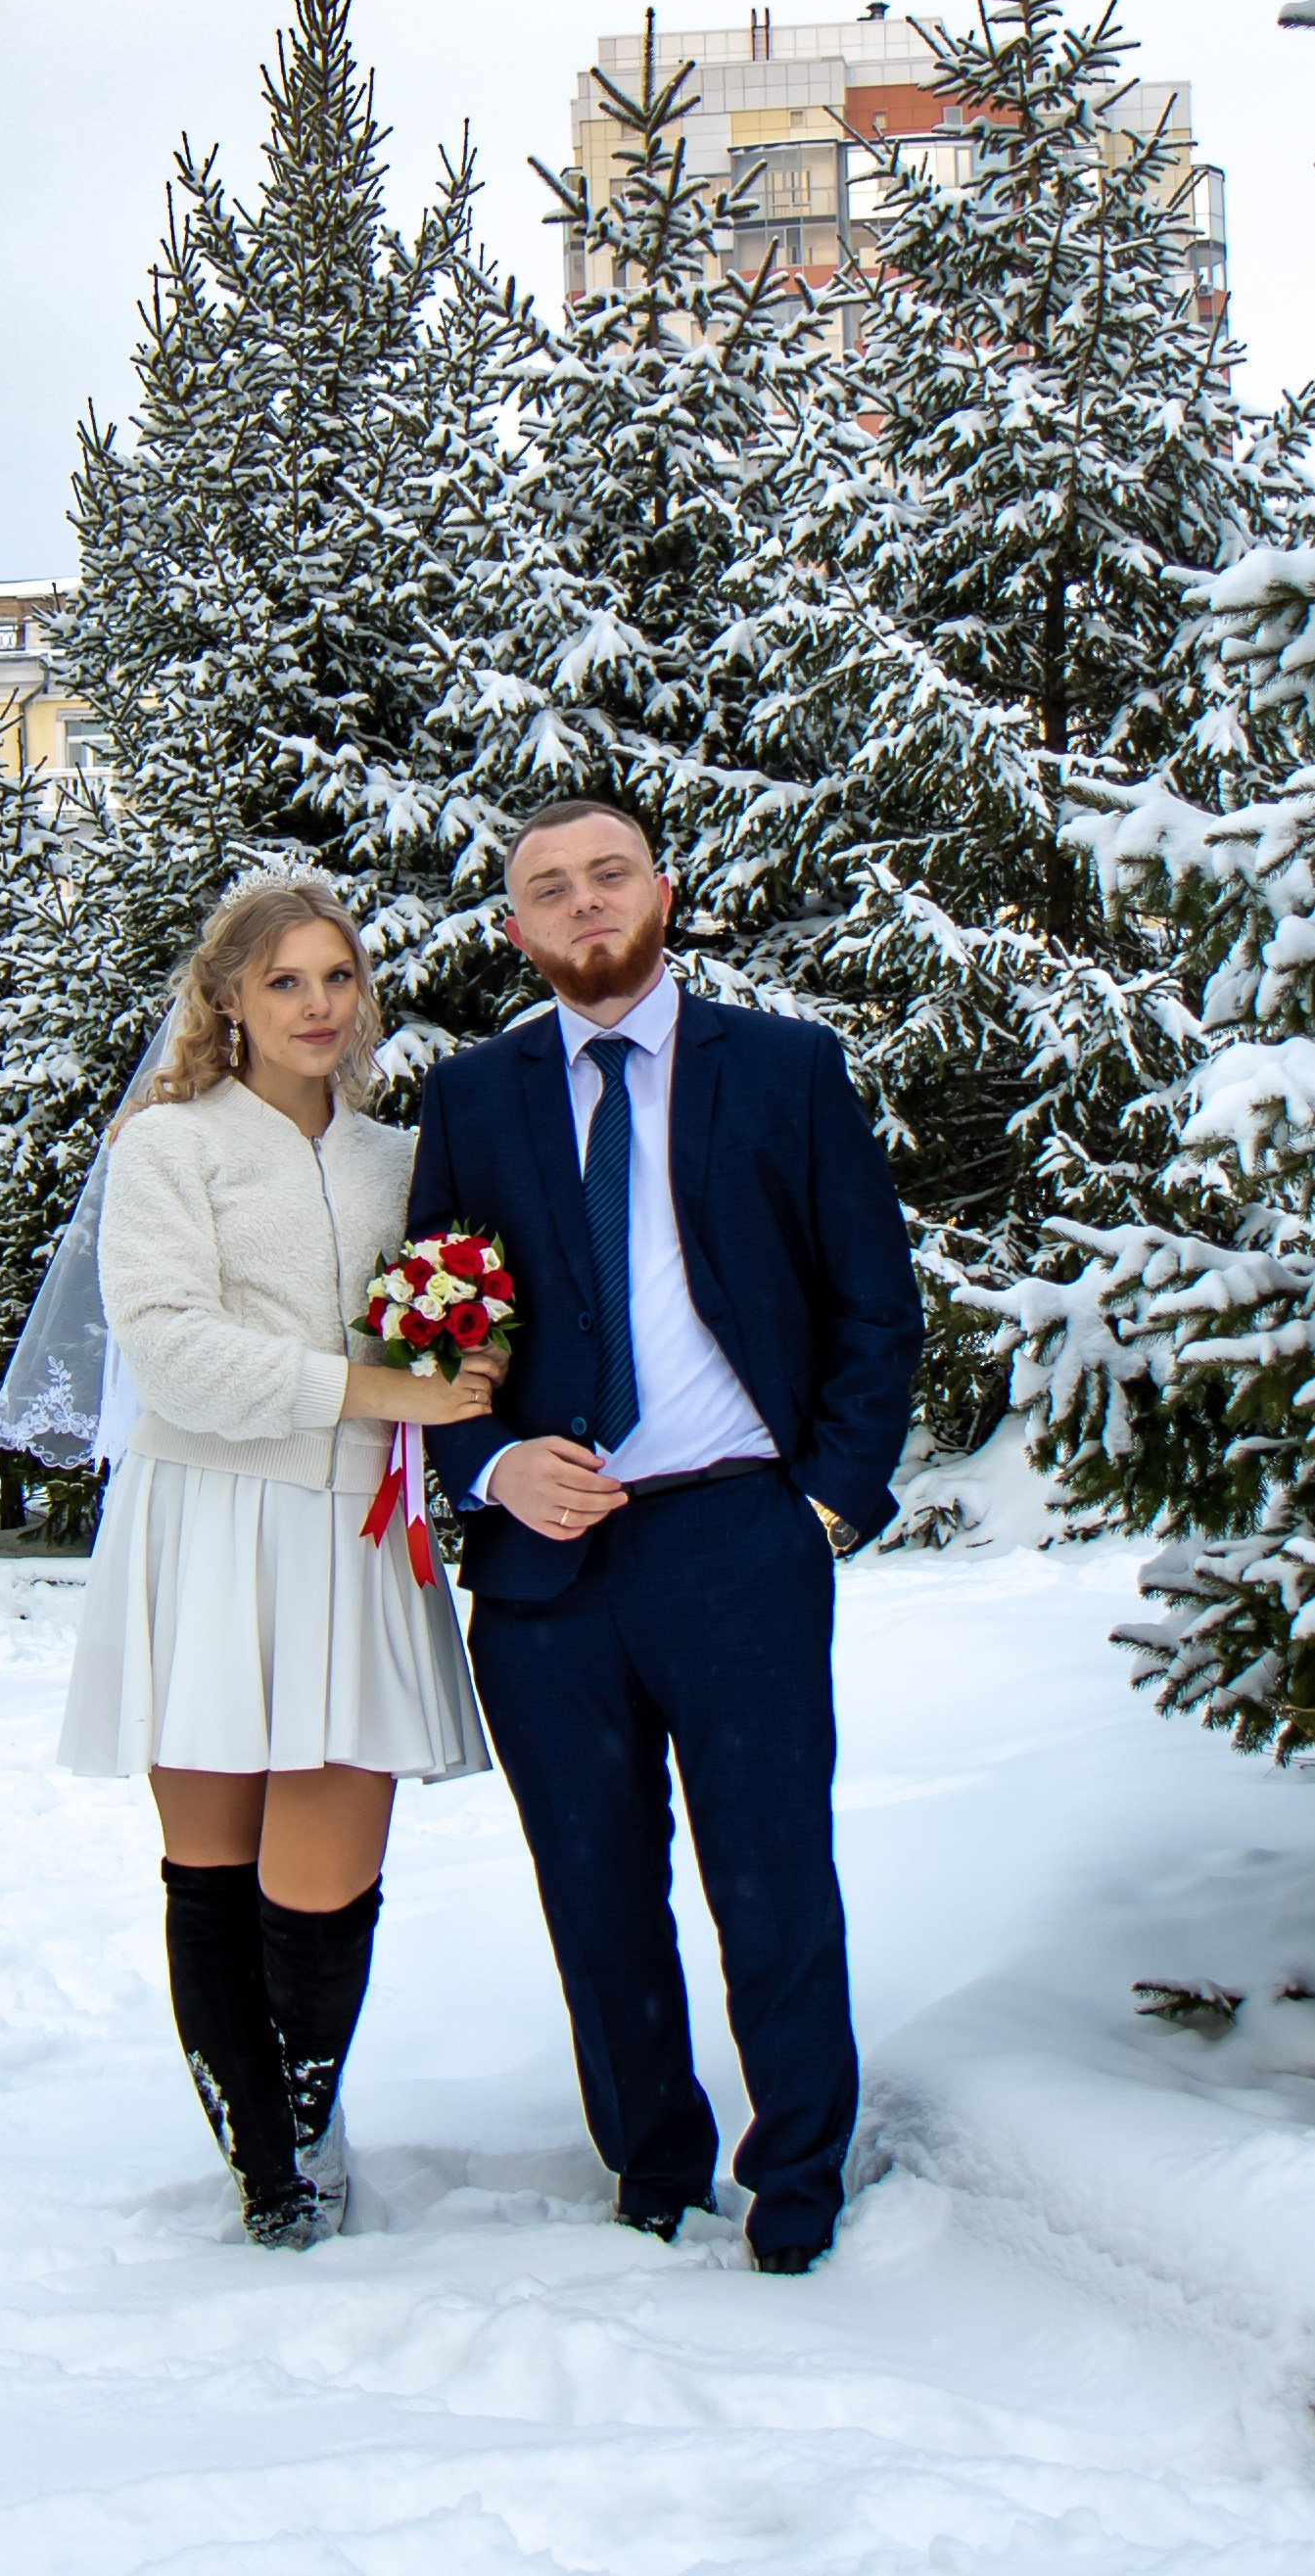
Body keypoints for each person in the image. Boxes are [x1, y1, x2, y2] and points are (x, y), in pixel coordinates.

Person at [407, 800, 922, 2274]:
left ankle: (799, 2183)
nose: (585, 904)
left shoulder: (783, 1068)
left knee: (772, 1875)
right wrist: (490, 1466)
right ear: (517, 929)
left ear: (663, 892)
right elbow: (429, 1340)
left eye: (610, 875)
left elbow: (874, 1303)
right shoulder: (474, 1097)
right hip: (546, 1570)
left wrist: (826, 1501)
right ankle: (651, 2170)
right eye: (549, 889)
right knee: (595, 1888)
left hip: (738, 1540)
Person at [53, 876, 493, 2249]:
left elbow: (457, 1320)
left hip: (355, 1536)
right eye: (285, 981)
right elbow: (169, 1349)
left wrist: (471, 1361)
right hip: (207, 1526)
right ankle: (264, 2171)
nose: (317, 1005)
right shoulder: (169, 1146)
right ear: (230, 998)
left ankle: (306, 2111)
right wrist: (377, 1393)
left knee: (325, 1884)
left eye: (338, 977)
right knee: (213, 1871)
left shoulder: (399, 1159)